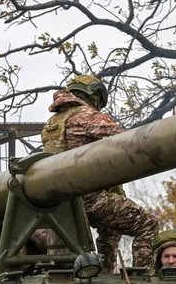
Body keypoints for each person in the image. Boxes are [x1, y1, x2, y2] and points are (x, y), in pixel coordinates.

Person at [41, 74, 158, 273]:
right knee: (147, 224)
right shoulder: (87, 116)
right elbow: (125, 140)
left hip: (60, 204)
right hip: (88, 198)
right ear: (94, 95)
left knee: (111, 229)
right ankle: (143, 279)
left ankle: (103, 273)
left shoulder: (51, 124)